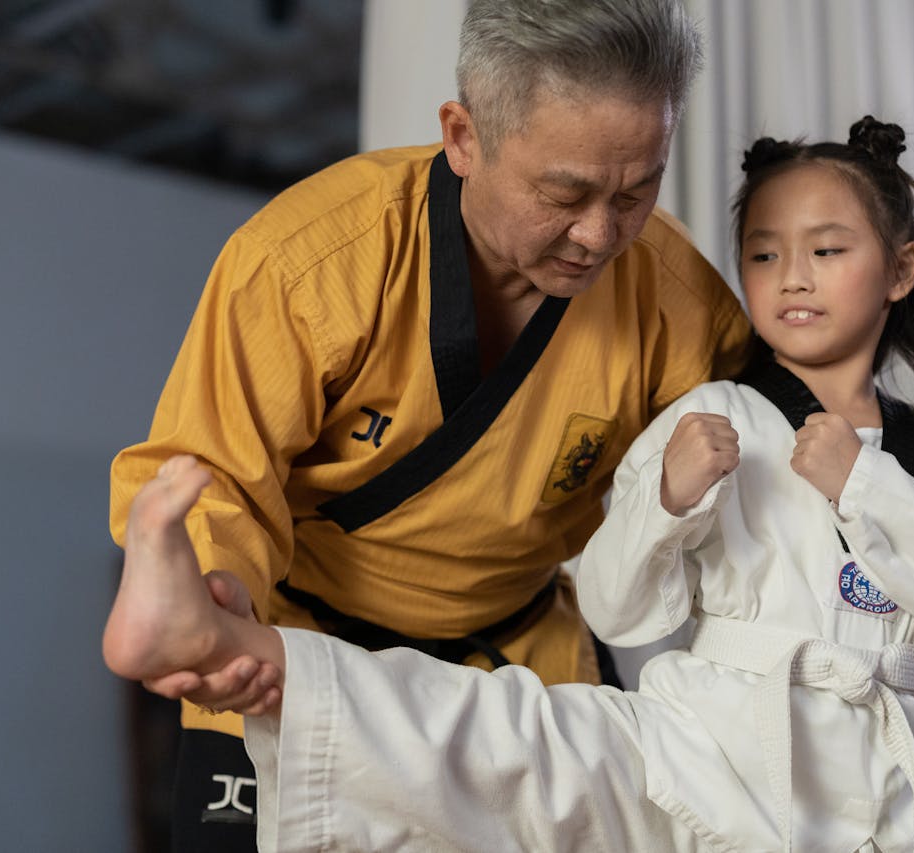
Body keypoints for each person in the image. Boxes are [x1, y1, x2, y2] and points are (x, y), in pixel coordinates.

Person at [104, 116, 914, 852]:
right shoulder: (710, 409)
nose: (790, 278)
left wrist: (875, 499)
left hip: (883, 774)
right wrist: (668, 500)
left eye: (827, 250)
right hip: (711, 740)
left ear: (899, 269)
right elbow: (617, 604)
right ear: (466, 138)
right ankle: (249, 650)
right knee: (519, 747)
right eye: (762, 253)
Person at [108, 1, 752, 847]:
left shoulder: (675, 300)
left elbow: (769, 495)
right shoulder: (313, 260)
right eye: (565, 192)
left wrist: (888, 606)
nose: (599, 234)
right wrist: (219, 588)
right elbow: (218, 476)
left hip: (513, 664)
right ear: (463, 136)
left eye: (636, 190)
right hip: (296, 646)